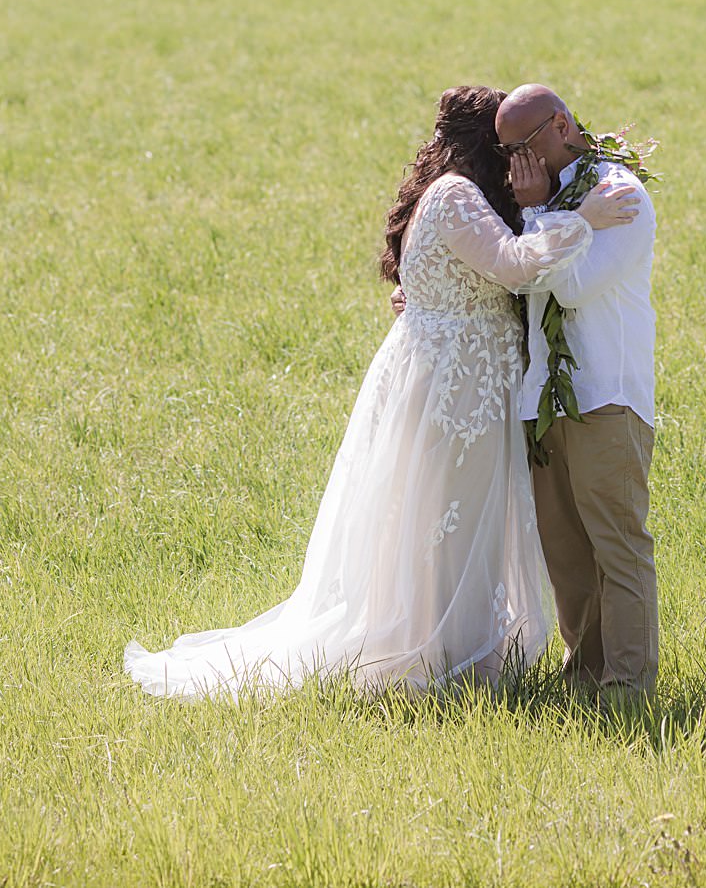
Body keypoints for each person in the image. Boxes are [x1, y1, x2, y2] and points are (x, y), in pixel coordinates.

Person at [124, 85, 636, 699]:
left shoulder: (454, 195)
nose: (518, 162)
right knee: (449, 523)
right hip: (457, 393)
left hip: (461, 384)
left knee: (459, 521)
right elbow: (513, 266)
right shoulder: (454, 195)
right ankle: (442, 659)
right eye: (509, 149)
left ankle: (463, 650)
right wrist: (583, 218)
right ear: (487, 146)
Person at [496, 84, 659, 699]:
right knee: (566, 552)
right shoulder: (550, 197)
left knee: (617, 546)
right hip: (546, 399)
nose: (518, 163)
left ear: (561, 124)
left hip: (606, 395)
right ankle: (584, 678)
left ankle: (629, 683)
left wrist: (541, 214)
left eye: (526, 144)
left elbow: (573, 288)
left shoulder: (618, 194)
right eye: (506, 149)